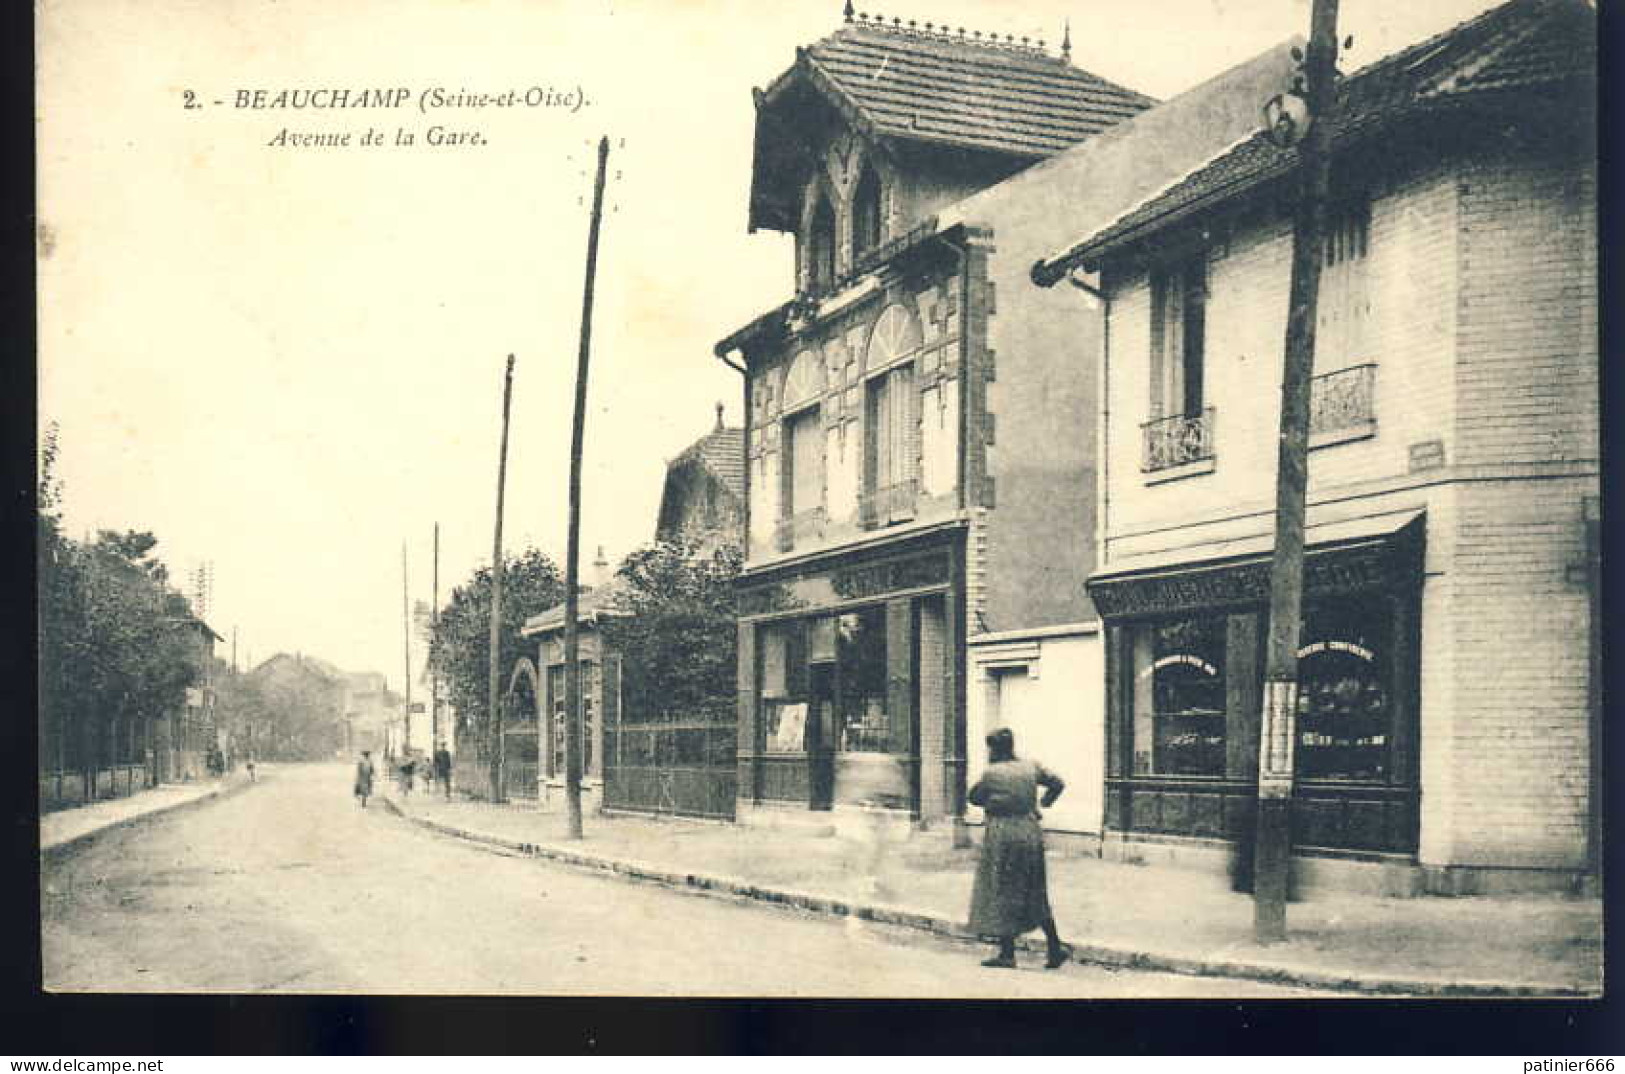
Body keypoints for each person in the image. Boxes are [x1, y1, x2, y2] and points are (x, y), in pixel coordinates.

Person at [966, 728, 1072, 970]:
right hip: (1030, 831)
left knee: (1003, 889)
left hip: (1003, 834)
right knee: (1035, 891)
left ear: (994, 749)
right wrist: (1044, 802)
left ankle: (1007, 953)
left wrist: (996, 801)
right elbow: (1057, 783)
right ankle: (1055, 948)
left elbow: (974, 797)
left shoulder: (992, 773)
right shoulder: (1030, 766)